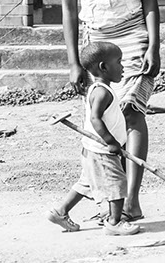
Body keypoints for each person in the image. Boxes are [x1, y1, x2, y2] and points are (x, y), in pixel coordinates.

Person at [59, 0, 161, 222]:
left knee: (131, 111)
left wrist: (154, 46)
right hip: (97, 45)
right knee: (104, 119)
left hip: (133, 36)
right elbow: (69, 12)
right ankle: (110, 200)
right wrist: (74, 62)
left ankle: (131, 200)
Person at [47, 42, 140, 236]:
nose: (123, 67)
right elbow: (95, 119)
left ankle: (60, 212)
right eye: (119, 62)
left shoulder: (98, 89)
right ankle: (114, 222)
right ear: (104, 67)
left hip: (92, 149)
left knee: (86, 183)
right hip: (102, 151)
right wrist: (111, 142)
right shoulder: (101, 92)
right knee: (117, 184)